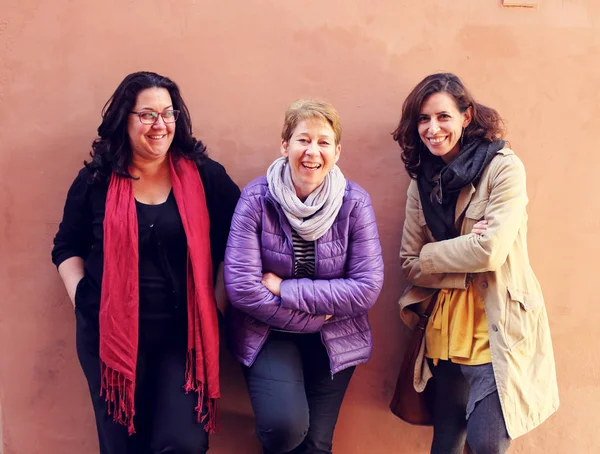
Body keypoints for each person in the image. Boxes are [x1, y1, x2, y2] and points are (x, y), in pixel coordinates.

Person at [51, 71, 240, 454]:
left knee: (183, 444)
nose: (160, 125)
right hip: (111, 338)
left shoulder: (205, 176)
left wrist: (217, 299)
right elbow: (66, 245)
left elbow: (240, 239)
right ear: (126, 119)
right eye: (148, 114)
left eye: (168, 113)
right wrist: (83, 299)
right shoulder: (96, 180)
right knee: (123, 447)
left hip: (183, 339)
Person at [393, 73, 559, 454]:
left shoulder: (504, 167)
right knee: (446, 444)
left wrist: (442, 252)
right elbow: (410, 263)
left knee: (487, 443)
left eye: (443, 117)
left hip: (498, 324)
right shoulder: (421, 182)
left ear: (466, 116)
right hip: (445, 326)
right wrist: (469, 244)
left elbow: (491, 253)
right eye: (423, 119)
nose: (432, 129)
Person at [224, 99, 384, 454]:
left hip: (336, 338)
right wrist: (312, 314)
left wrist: (284, 289)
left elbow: (366, 288)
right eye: (303, 140)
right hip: (268, 334)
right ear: (285, 145)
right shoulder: (256, 199)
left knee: (314, 444)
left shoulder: (355, 203)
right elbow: (242, 288)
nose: (313, 152)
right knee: (284, 429)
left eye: (324, 142)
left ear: (337, 151)